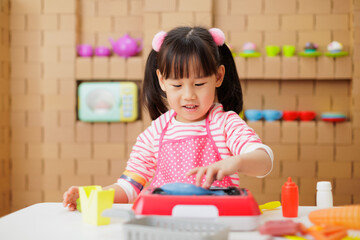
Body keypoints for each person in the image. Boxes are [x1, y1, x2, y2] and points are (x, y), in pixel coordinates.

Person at [63, 26, 273, 210]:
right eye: (177, 85)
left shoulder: (226, 124)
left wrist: (236, 162)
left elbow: (264, 161)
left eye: (199, 84)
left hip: (216, 221)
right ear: (162, 81)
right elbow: (130, 187)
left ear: (218, 77)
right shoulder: (154, 133)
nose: (189, 95)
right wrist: (93, 195)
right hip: (166, 223)